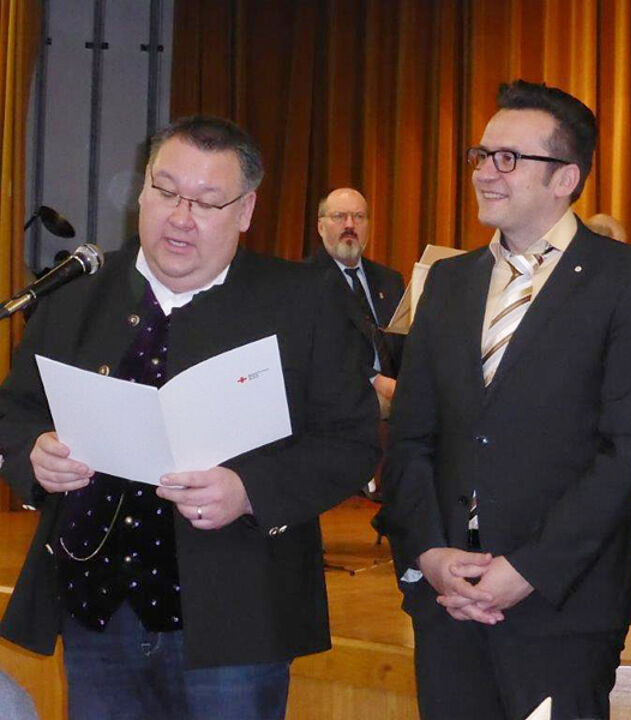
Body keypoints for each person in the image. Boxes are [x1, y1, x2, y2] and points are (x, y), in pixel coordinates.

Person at [0, 116, 380, 719]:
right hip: (96, 611)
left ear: (245, 210)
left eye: (206, 202)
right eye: (166, 191)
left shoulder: (301, 301)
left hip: (236, 618)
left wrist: (249, 489)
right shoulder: (76, 292)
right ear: (142, 191)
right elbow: (16, 410)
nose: (180, 217)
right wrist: (34, 454)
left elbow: (352, 442)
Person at [378, 79, 631, 720]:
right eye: (482, 155)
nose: (485, 172)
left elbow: (628, 452)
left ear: (565, 177)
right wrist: (430, 554)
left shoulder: (630, 280)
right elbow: (410, 438)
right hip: (448, 599)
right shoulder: (448, 282)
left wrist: (529, 569)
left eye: (508, 158)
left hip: (561, 602)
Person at [310, 187, 404, 418]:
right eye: (339, 216)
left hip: (398, 408)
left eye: (359, 217)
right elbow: (316, 351)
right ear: (321, 227)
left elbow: (404, 345)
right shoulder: (304, 280)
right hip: (340, 410)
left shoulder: (390, 280)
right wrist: (375, 379)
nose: (350, 225)